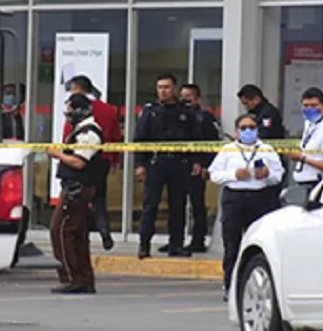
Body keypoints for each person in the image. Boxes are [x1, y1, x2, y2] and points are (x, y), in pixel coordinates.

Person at [208, 113, 284, 301]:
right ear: (236, 132)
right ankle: (230, 285)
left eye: (251, 127)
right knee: (232, 244)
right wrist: (234, 175)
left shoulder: (266, 149)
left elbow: (278, 174)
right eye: (244, 128)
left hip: (259, 198)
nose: (248, 131)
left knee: (258, 244)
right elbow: (214, 174)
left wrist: (266, 174)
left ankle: (257, 285)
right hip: (234, 198)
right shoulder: (228, 150)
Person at [134, 73, 203, 259]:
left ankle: (176, 245)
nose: (163, 91)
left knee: (178, 205)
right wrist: (140, 164)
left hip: (179, 163)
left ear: (174, 89)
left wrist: (196, 161)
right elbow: (140, 139)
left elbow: (195, 138)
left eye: (167, 87)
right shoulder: (150, 111)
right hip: (156, 163)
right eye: (160, 87)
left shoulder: (186, 112)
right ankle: (144, 245)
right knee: (150, 205)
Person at [46, 93, 107, 294]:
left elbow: (79, 162)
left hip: (78, 188)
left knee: (61, 231)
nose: (68, 114)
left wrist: (57, 154)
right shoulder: (80, 131)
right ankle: (83, 279)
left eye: (70, 110)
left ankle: (71, 278)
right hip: (75, 186)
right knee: (77, 233)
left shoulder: (89, 133)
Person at [62, 74, 122, 251]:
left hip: (79, 159)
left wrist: (63, 153)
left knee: (77, 198)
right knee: (99, 198)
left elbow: (68, 134)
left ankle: (82, 231)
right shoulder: (109, 109)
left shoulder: (77, 109)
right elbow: (115, 136)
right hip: (101, 160)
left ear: (78, 89)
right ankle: (104, 230)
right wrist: (114, 159)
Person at [175, 83, 221, 253]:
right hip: (178, 166)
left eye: (189, 96)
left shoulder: (205, 117)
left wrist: (204, 165)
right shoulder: (178, 116)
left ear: (197, 98)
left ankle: (198, 239)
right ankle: (176, 240)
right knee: (177, 204)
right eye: (183, 96)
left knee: (197, 206)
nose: (185, 100)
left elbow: (212, 144)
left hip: (196, 167)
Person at [286, 87, 323, 191]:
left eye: (314, 105)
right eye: (305, 106)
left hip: (318, 184)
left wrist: (302, 158)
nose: (309, 109)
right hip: (303, 183)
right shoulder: (310, 123)